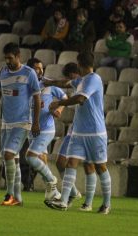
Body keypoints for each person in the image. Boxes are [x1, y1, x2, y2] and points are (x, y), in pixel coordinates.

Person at [46, 52, 111, 214]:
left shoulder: (94, 79)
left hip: (95, 132)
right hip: (78, 132)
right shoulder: (80, 80)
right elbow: (65, 83)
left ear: (81, 65)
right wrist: (47, 81)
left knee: (100, 167)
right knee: (71, 163)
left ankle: (106, 204)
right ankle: (63, 201)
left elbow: (80, 99)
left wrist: (59, 103)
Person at [0, 42, 41, 206]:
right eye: (5, 58)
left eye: (10, 58)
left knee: (8, 154)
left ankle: (9, 194)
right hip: (6, 124)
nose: (7, 61)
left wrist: (35, 122)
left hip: (22, 123)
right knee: (12, 159)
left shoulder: (29, 73)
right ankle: (18, 198)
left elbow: (37, 98)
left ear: (18, 56)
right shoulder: (3, 73)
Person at [25, 57, 66, 202]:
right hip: (31, 129)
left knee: (32, 157)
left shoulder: (47, 84)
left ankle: (53, 184)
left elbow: (64, 96)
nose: (41, 71)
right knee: (41, 161)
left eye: (42, 68)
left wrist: (59, 109)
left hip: (46, 128)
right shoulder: (25, 85)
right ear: (30, 69)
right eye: (37, 68)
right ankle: (57, 193)